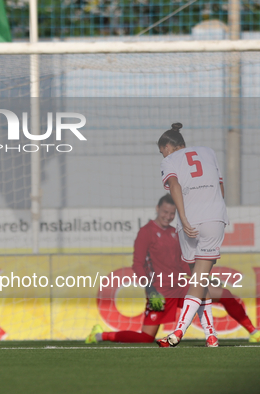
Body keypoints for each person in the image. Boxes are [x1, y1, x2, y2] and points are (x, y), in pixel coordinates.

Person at [85, 194, 259, 345]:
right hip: (160, 292)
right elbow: (137, 264)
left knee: (225, 294)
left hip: (182, 287)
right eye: (164, 212)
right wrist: (150, 289)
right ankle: (99, 335)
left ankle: (254, 332)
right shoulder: (146, 232)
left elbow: (182, 263)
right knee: (146, 337)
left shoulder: (175, 232)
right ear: (157, 209)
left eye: (171, 213)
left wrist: (201, 278)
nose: (167, 216)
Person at [155, 123, 229, 347]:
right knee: (200, 280)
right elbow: (219, 187)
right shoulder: (209, 152)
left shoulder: (169, 161)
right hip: (214, 219)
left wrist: (184, 218)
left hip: (190, 221)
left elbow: (174, 186)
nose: (162, 154)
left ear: (168, 146)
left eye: (162, 150)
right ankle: (211, 335)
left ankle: (177, 332)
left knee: (196, 279)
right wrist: (218, 212)